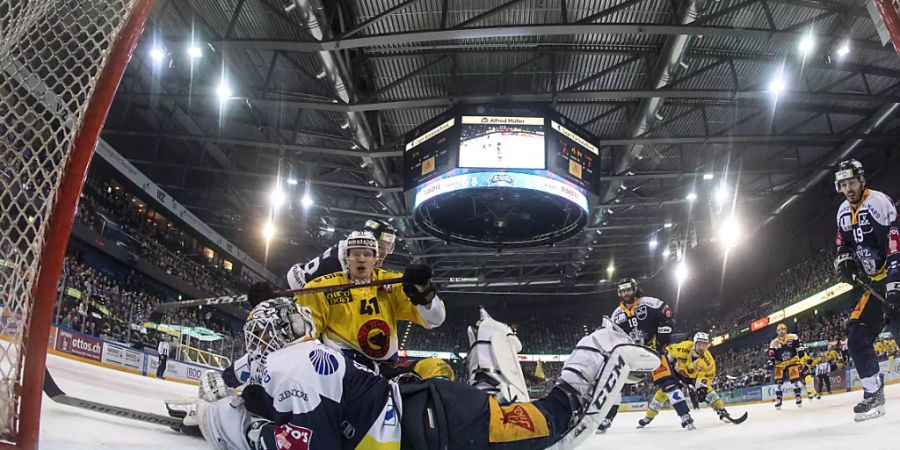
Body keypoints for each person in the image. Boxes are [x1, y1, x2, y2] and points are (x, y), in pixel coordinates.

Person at [189, 298, 661, 450]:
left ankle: (601, 345)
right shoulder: (298, 358)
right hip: (431, 415)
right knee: (546, 418)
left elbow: (306, 444)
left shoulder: (283, 363)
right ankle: (593, 355)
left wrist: (254, 422)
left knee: (552, 423)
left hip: (439, 424)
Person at [294, 231, 445, 371]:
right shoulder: (321, 287)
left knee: (436, 367)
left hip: (386, 369)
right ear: (347, 258)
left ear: (375, 259)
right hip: (342, 369)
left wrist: (423, 290)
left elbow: (435, 320)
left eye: (367, 254)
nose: (361, 259)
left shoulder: (393, 283)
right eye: (356, 254)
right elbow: (305, 335)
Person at [832, 159, 900, 421]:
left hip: (895, 275)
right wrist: (845, 261)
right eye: (843, 184)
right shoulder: (841, 212)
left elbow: (895, 245)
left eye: (851, 182)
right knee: (857, 339)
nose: (848, 188)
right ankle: (874, 394)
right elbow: (842, 244)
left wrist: (894, 287)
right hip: (873, 285)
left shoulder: (879, 203)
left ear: (862, 180)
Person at [596, 277, 685, 432]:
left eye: (628, 289)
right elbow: (612, 336)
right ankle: (607, 419)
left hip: (653, 351)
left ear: (635, 289)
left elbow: (667, 314)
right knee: (616, 386)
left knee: (668, 383)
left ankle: (685, 416)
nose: (626, 293)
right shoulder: (616, 314)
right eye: (623, 291)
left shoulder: (649, 302)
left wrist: (666, 328)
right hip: (631, 355)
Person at [285, 219, 397, 290]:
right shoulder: (349, 258)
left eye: (388, 248)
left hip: (303, 281)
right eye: (380, 246)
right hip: (300, 288)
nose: (384, 254)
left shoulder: (351, 247)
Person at [767, 323, 806, 409]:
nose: (782, 331)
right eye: (780, 330)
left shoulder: (793, 336)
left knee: (794, 380)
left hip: (792, 361)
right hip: (779, 364)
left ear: (786, 330)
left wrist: (801, 350)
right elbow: (770, 352)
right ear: (777, 331)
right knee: (777, 382)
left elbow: (800, 344)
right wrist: (771, 360)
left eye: (783, 329)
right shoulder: (773, 342)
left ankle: (798, 396)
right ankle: (779, 399)